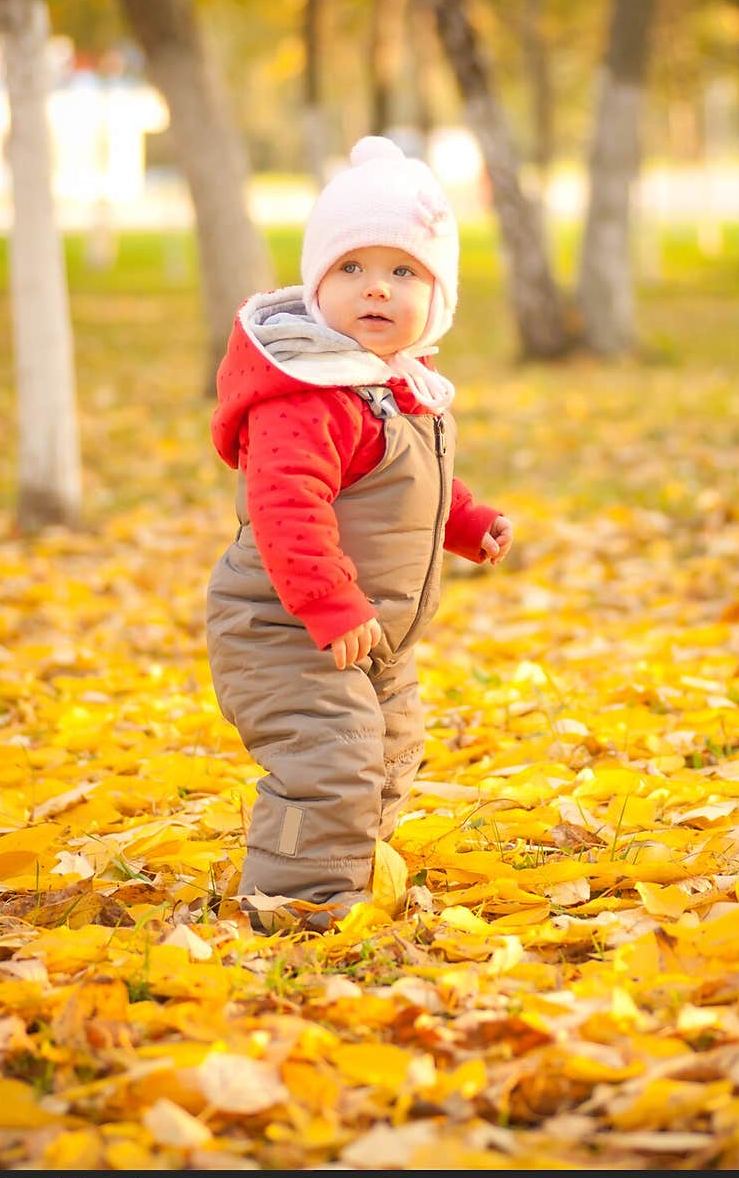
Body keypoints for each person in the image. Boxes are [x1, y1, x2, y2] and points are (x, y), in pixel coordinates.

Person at [206, 135, 513, 933]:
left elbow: (411, 484)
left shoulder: (398, 387)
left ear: (436, 296)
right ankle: (298, 903)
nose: (375, 288)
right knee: (331, 754)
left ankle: (343, 867)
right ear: (317, 286)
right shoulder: (309, 392)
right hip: (286, 624)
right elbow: (286, 504)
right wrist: (331, 606)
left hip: (372, 630)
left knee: (391, 749)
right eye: (351, 268)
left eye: (402, 271)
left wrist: (470, 522)